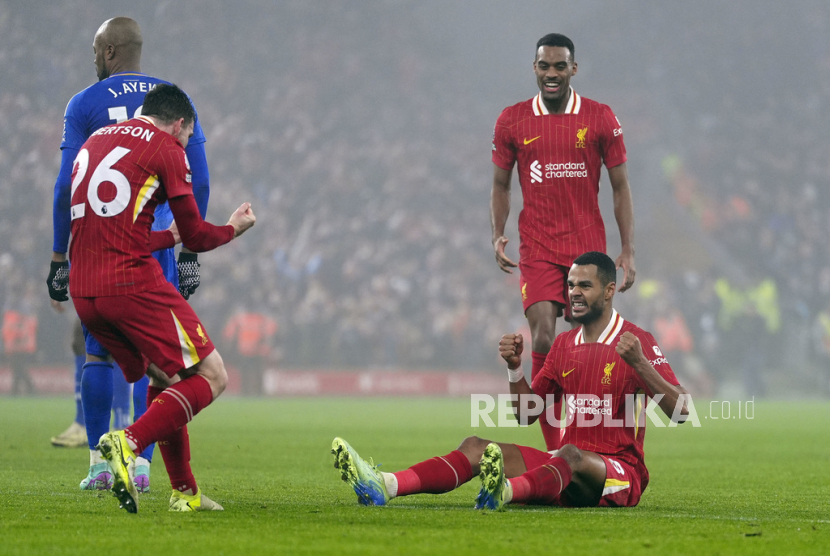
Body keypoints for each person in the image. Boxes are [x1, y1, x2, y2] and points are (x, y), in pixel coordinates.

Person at [333, 252, 687, 509]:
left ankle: (504, 491)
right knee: (475, 445)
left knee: (570, 454)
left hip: (618, 474)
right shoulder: (564, 344)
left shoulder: (637, 339)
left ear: (609, 291)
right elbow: (527, 414)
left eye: (585, 285)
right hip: (563, 465)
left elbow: (682, 410)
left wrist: (640, 363)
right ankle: (386, 485)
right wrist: (515, 368)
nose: (574, 292)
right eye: (570, 285)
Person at [68, 83, 255, 513]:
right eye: (188, 137)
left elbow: (105, 227)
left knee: (167, 380)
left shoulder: (96, 141)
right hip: (130, 284)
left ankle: (184, 493)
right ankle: (127, 442)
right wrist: (232, 229)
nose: (187, 146)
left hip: (86, 290)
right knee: (213, 376)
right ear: (180, 123)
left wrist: (160, 237)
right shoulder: (166, 147)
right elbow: (196, 235)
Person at [46, 17, 211, 491]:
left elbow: (64, 186)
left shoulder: (84, 103)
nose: (93, 59)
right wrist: (189, 251)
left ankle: (100, 466)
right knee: (160, 362)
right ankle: (140, 466)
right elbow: (197, 179)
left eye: (96, 50)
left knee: (97, 356)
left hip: (98, 248)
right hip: (154, 242)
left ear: (111, 52)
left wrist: (60, 254)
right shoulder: (172, 99)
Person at [489, 33, 636, 451]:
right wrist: (498, 232)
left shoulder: (600, 117)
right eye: (544, 66)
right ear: (534, 69)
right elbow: (500, 185)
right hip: (536, 246)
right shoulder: (512, 120)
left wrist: (627, 249)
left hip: (586, 249)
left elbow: (621, 187)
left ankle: (589, 438)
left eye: (559, 66)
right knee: (541, 337)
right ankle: (557, 450)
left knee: (583, 348)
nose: (551, 74)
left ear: (573, 69)